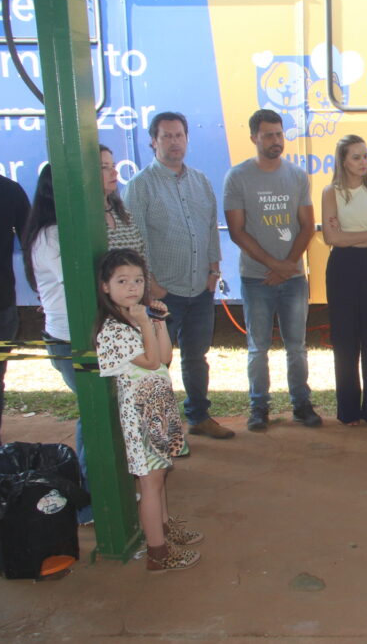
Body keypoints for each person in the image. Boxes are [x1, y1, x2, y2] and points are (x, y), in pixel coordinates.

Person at [22, 150, 148, 524]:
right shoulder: (52, 236)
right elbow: (88, 284)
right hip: (72, 340)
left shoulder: (78, 227)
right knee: (95, 417)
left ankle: (109, 488)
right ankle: (92, 501)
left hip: (95, 335)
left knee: (106, 413)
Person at [125, 112, 233, 439]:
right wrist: (149, 284)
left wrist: (214, 268)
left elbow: (210, 228)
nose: (174, 142)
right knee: (158, 364)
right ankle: (159, 431)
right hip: (162, 292)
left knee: (196, 358)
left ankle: (199, 417)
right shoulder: (140, 186)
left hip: (200, 288)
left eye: (179, 135)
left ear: (187, 139)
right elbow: (135, 239)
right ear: (153, 142)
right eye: (167, 136)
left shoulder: (200, 181)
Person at [95, 248, 201, 572]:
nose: (133, 287)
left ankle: (166, 531)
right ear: (106, 287)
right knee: (150, 483)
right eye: (122, 281)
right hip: (141, 413)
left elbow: (166, 356)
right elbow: (151, 362)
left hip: (159, 407)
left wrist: (158, 323)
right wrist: (144, 323)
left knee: (160, 473)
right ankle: (158, 553)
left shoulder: (137, 318)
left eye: (138, 280)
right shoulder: (113, 329)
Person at [224, 109, 323, 432]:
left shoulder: (296, 175)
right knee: (258, 348)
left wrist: (288, 266)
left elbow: (308, 226)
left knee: (297, 347)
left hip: (292, 279)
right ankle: (259, 408)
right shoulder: (237, 177)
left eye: (279, 134)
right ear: (254, 137)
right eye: (268, 135)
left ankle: (301, 404)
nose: (275, 140)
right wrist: (274, 265)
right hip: (256, 278)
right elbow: (237, 231)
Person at [321, 135, 367, 425]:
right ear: (343, 161)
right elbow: (331, 238)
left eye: (365, 156)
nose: (363, 162)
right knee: (345, 339)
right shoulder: (331, 192)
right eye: (356, 157)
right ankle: (348, 410)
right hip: (341, 267)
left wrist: (350, 237)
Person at [0, 170, 29, 450]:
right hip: (0, 302)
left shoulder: (7, 189)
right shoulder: (8, 188)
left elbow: (32, 242)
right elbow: (32, 242)